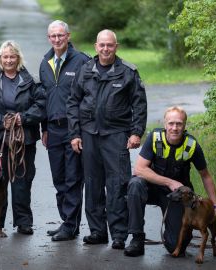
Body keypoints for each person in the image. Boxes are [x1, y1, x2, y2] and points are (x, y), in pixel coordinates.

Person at [67, 29, 147, 249]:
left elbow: (139, 104)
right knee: (92, 185)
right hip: (89, 135)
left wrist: (136, 132)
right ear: (96, 46)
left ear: (116, 46)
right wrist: (74, 133)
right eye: (101, 45)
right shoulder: (85, 71)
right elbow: (73, 103)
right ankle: (97, 231)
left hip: (116, 135)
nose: (105, 49)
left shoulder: (128, 72)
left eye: (109, 45)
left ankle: (119, 234)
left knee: (117, 186)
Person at [124, 106, 216, 257]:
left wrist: (215, 206)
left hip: (177, 197)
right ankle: (137, 239)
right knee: (135, 184)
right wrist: (169, 182)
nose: (174, 128)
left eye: (179, 124)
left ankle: (175, 236)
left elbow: (205, 176)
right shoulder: (155, 138)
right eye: (171, 123)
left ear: (184, 126)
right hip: (152, 188)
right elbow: (139, 169)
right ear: (165, 124)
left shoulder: (191, 145)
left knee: (176, 247)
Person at [0, 40, 46, 235]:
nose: (9, 60)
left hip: (24, 139)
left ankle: (23, 221)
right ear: (0, 59)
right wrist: (1, 121)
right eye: (5, 57)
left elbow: (41, 105)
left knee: (22, 180)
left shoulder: (30, 80)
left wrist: (22, 118)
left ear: (18, 58)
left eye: (12, 57)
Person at [39, 20, 90, 241]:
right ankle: (67, 222)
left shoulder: (82, 62)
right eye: (53, 36)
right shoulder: (45, 62)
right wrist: (44, 128)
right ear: (49, 38)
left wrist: (79, 132)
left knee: (72, 179)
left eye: (61, 35)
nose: (57, 39)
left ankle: (71, 224)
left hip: (73, 131)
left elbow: (88, 99)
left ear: (68, 36)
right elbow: (43, 98)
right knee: (59, 179)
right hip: (53, 130)